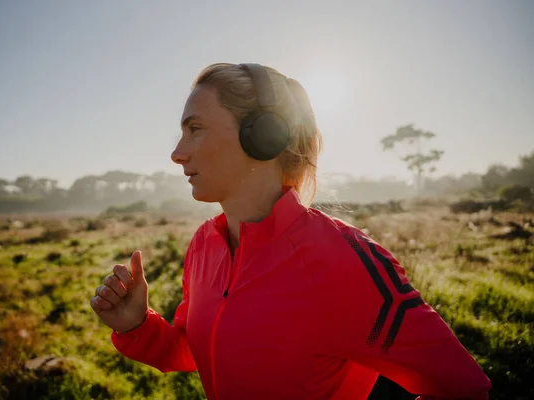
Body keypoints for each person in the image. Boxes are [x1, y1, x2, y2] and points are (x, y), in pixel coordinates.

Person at [90, 63, 492, 400]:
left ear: (262, 135)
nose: (177, 152)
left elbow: (462, 386)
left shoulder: (341, 259)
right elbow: (192, 349)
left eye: (195, 128)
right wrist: (137, 324)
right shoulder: (203, 247)